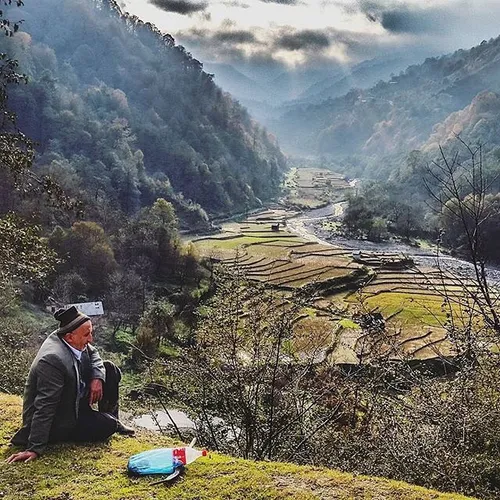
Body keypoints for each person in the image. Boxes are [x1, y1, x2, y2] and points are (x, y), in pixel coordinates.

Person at [7, 306, 134, 463]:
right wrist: (35, 448)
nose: (90, 339)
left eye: (91, 333)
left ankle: (113, 419)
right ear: (69, 337)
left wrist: (97, 378)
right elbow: (45, 405)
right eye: (87, 335)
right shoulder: (52, 360)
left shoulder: (69, 335)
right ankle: (111, 422)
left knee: (109, 368)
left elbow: (93, 352)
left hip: (73, 398)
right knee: (107, 426)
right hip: (60, 417)